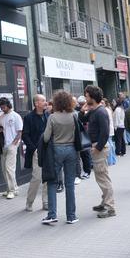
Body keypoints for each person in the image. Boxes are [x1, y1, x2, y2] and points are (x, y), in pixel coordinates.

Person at [41, 91, 78, 225]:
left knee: (52, 182)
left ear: (56, 102)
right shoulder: (74, 115)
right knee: (70, 184)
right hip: (71, 150)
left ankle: (52, 215)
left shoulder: (52, 117)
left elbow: (45, 137)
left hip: (56, 150)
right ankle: (71, 216)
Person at [85, 85, 116, 218]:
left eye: (86, 95)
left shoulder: (101, 112)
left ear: (92, 97)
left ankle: (110, 208)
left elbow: (105, 132)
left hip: (100, 148)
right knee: (101, 177)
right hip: (97, 147)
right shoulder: (94, 110)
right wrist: (83, 110)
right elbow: (82, 119)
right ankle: (105, 202)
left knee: (103, 178)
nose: (85, 98)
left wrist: (97, 148)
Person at [22, 94, 49, 212]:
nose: (46, 102)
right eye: (43, 101)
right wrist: (34, 149)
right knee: (37, 177)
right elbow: (25, 135)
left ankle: (46, 202)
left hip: (48, 151)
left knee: (47, 177)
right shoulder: (29, 117)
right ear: (36, 103)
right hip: (36, 152)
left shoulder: (48, 116)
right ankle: (29, 202)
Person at [0, 97, 23, 199]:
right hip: (3, 145)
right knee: (4, 169)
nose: (2, 109)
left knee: (9, 168)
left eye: (4, 107)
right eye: (1, 107)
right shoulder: (0, 117)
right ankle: (10, 188)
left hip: (12, 144)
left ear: (8, 105)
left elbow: (19, 132)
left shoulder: (16, 116)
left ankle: (12, 190)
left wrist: (14, 144)